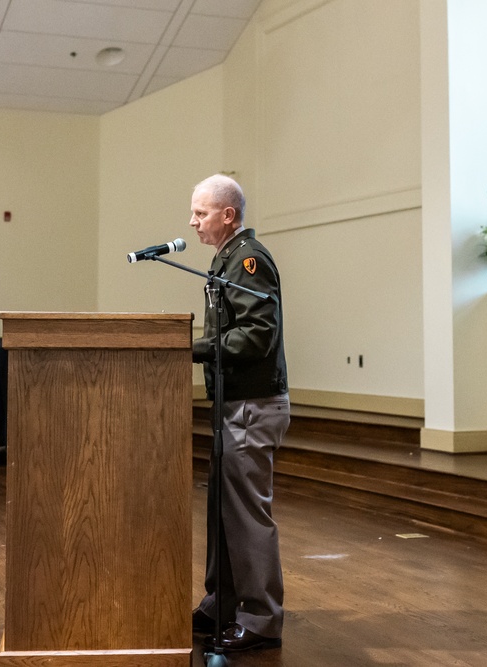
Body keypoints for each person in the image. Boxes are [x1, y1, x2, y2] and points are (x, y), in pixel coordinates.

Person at [188, 174, 290, 652]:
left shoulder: (248, 260)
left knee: (247, 515)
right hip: (233, 403)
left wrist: (197, 350)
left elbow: (256, 334)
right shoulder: (226, 257)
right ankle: (222, 602)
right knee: (222, 510)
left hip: (252, 404)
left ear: (228, 215)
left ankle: (261, 618)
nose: (192, 222)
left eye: (201, 213)